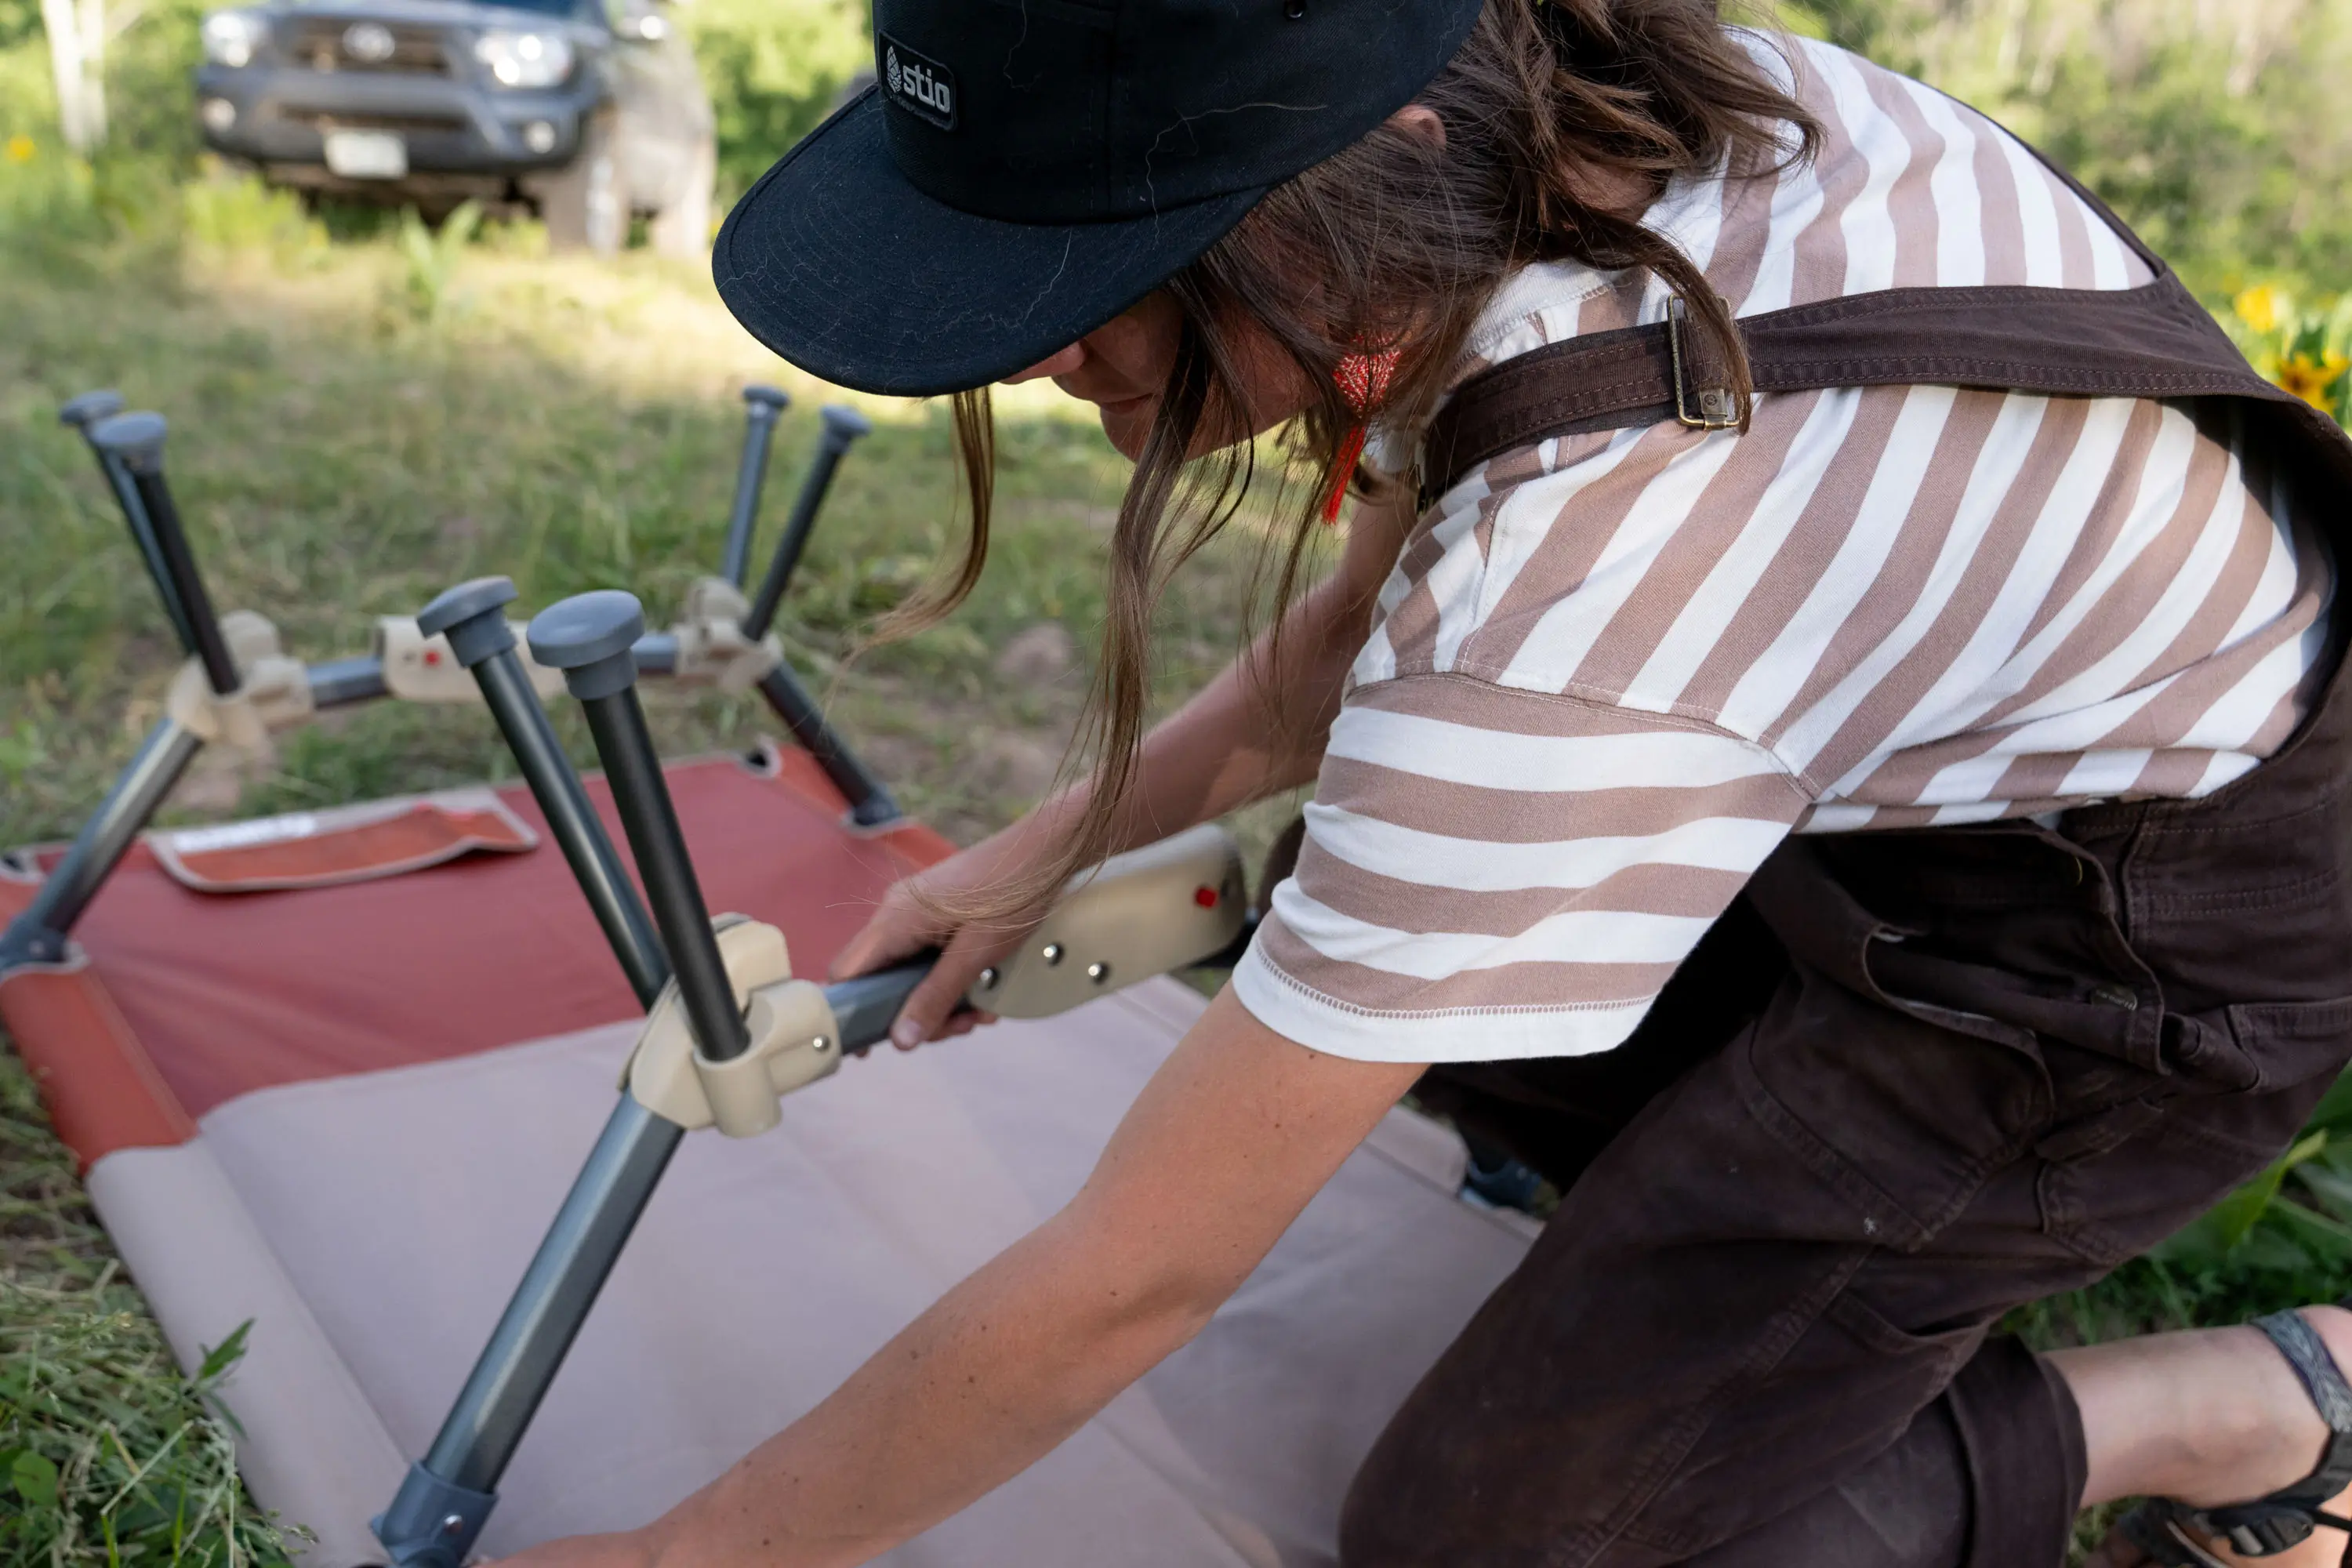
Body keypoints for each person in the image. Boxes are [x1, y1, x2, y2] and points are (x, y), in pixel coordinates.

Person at [510, 1, 2352, 1563]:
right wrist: (1038, 856)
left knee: (1488, 1533)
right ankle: (1747, 1248)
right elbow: (1338, 655)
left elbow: (1138, 1277)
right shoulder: (1554, 129)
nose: (1040, 348)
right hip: (1913, 807)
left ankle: (2247, 1406)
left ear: (1348, 177)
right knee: (1387, 925)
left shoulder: (1598, 577)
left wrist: (691, 1547)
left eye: (1091, 275)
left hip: (2137, 969)